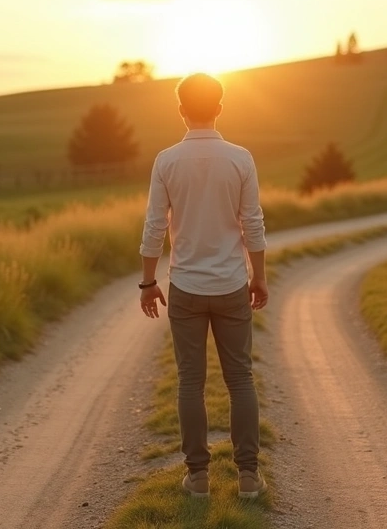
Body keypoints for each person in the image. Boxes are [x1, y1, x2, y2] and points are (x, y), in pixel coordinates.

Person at [138, 72, 269, 500]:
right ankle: (248, 476)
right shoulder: (241, 159)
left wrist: (147, 281)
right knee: (241, 379)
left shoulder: (166, 161)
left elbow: (155, 226)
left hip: (186, 287)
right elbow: (253, 224)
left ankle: (197, 478)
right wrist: (259, 276)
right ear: (220, 107)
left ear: (181, 110)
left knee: (190, 382)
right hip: (231, 285)